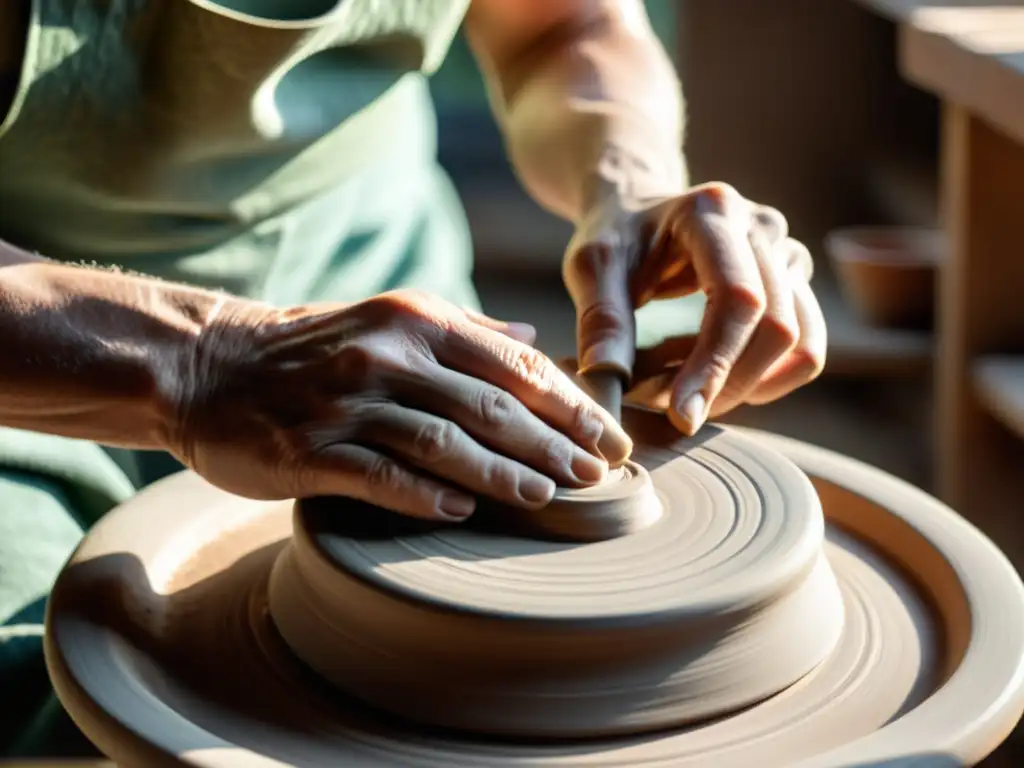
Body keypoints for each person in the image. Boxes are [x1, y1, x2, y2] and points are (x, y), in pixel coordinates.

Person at [0, 0, 826, 756]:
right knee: (63, 712)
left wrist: (628, 180)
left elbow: (559, 28)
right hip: (42, 342)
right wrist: (205, 362)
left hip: (383, 293)